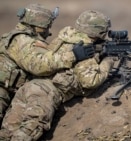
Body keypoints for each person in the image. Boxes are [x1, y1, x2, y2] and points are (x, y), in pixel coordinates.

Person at [0, 10, 114, 141]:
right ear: (100, 32)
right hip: (46, 92)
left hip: (28, 87)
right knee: (30, 129)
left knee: (8, 130)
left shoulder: (64, 37)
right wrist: (107, 62)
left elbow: (48, 57)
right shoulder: (85, 48)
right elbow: (90, 81)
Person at [0, 4, 94, 124]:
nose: (49, 31)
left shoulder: (25, 37)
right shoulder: (21, 39)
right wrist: (73, 55)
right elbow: (38, 66)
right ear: (41, 24)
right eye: (48, 26)